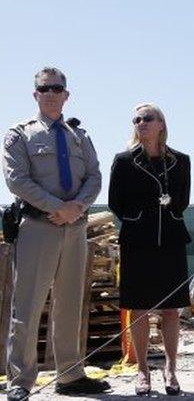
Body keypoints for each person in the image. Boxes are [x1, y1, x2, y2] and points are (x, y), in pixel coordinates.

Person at [1, 67, 111, 400]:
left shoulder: (81, 136)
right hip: (37, 227)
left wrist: (76, 207)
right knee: (28, 305)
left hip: (75, 229)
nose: (51, 93)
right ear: (35, 94)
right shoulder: (19, 134)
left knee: (70, 303)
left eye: (57, 88)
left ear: (66, 94)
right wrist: (58, 207)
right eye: (44, 88)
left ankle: (70, 375)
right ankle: (20, 381)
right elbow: (16, 180)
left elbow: (94, 175)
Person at [108, 103, 191, 396]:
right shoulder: (124, 160)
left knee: (171, 309)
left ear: (161, 124)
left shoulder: (181, 161)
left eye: (147, 118)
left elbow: (181, 200)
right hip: (138, 241)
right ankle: (142, 371)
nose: (141, 123)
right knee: (139, 308)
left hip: (170, 239)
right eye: (137, 119)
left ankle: (170, 369)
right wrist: (139, 216)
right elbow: (115, 203)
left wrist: (167, 209)